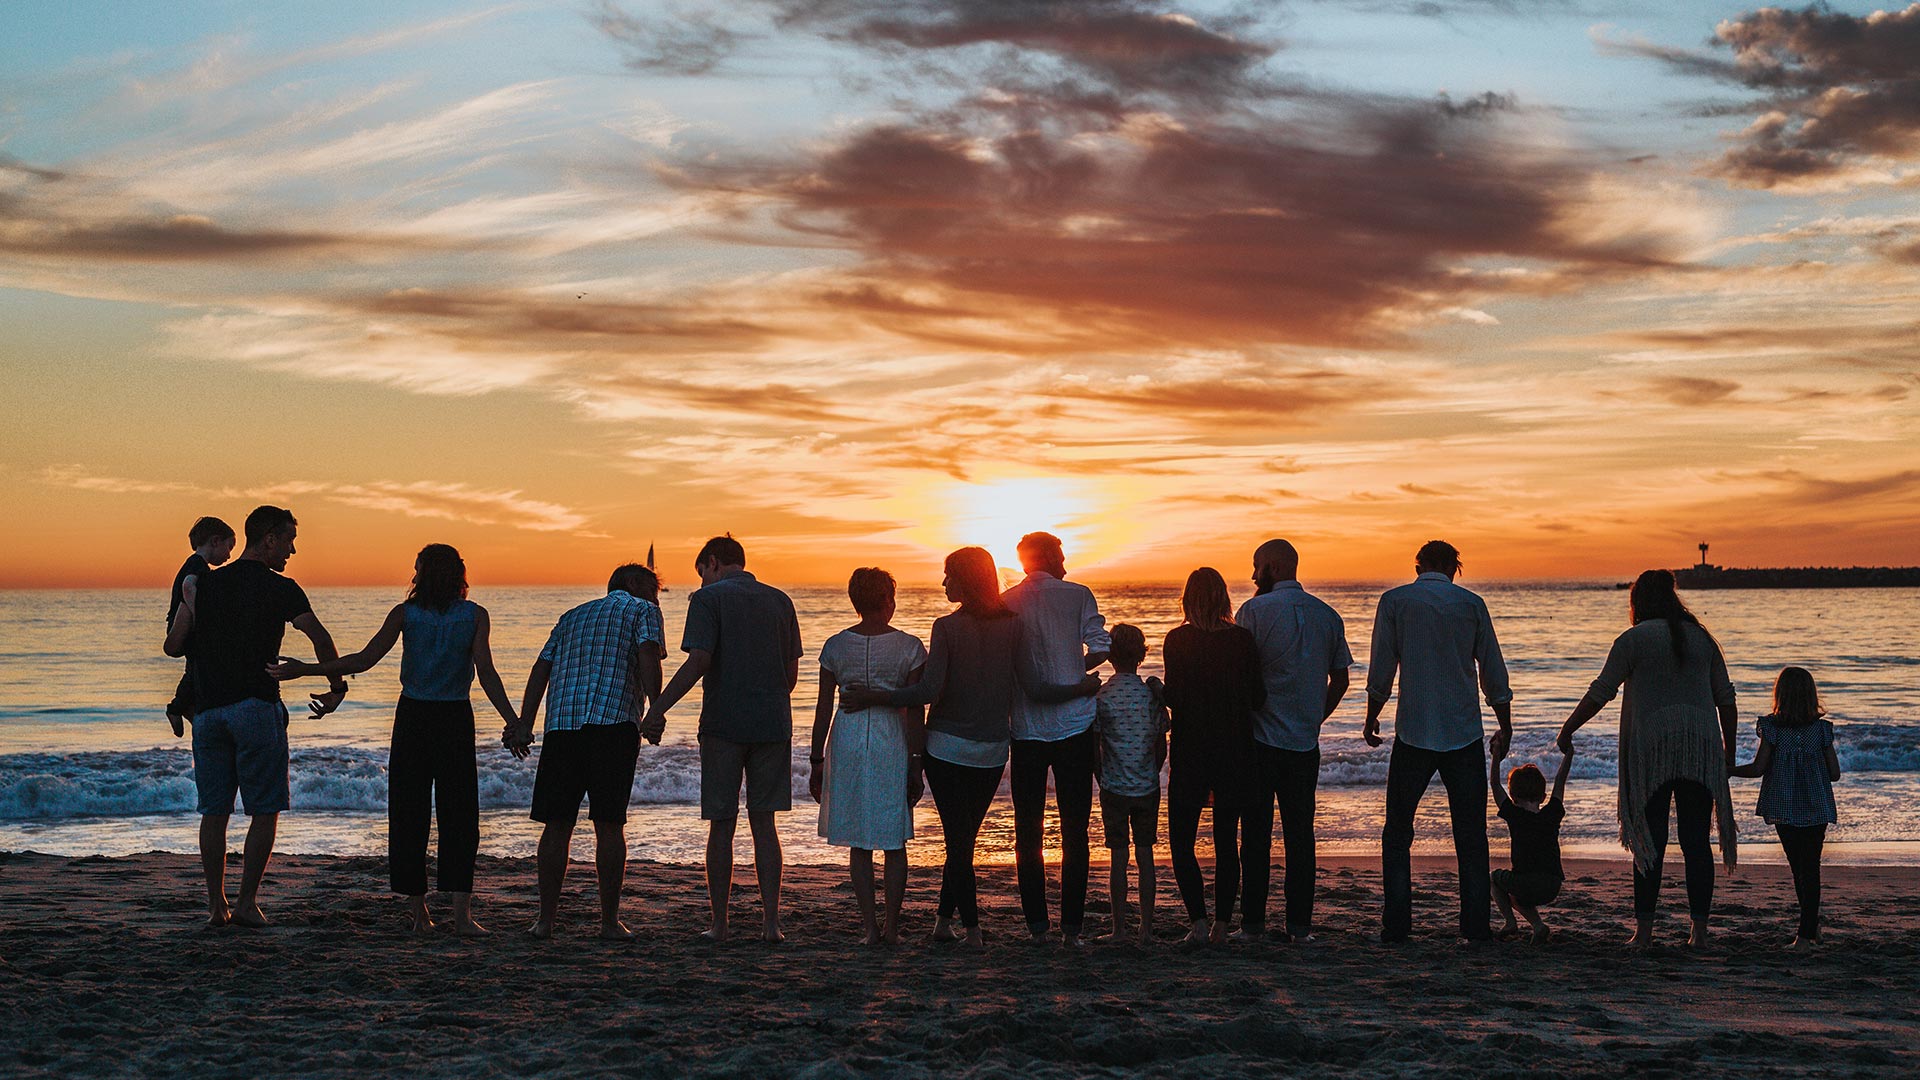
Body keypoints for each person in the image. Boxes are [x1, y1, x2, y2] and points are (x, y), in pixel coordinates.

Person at [838, 546, 1095, 948]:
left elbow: (926, 690)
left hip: (946, 749)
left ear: (966, 580)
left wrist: (873, 696)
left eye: (949, 575)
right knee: (963, 840)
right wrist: (1081, 686)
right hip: (992, 751)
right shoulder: (1013, 625)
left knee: (959, 844)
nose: (943, 583)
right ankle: (943, 922)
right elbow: (1035, 688)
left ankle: (973, 932)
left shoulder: (945, 627)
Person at [268, 544, 520, 936]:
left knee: (410, 815)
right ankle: (459, 917)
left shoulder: (410, 613)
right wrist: (513, 720)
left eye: (417, 567)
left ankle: (423, 915)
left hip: (418, 718)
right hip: (451, 718)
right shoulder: (471, 615)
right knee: (459, 817)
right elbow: (486, 673)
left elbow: (364, 660)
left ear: (425, 573)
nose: (413, 573)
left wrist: (309, 669)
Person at [163, 505, 347, 928]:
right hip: (255, 708)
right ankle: (246, 903)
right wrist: (337, 688)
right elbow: (319, 637)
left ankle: (216, 907)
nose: (292, 551)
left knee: (215, 812)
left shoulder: (204, 584)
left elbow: (177, 645)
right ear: (269, 540)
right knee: (264, 810)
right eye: (288, 541)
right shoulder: (281, 588)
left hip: (208, 712)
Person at [1557, 569, 1737, 949]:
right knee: (1695, 842)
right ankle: (1699, 932)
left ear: (1638, 601)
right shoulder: (1703, 640)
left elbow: (1600, 692)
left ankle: (1644, 931)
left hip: (1651, 751)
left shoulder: (1633, 640)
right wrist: (1728, 752)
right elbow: (1726, 698)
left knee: (1649, 839)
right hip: (1700, 749)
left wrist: (1569, 727)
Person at [645, 535, 803, 944]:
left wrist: (658, 707)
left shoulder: (707, 601)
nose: (699, 585)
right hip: (772, 723)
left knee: (722, 823)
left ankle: (720, 923)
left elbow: (699, 660)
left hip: (723, 724)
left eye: (701, 575)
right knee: (764, 824)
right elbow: (791, 678)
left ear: (713, 563)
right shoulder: (780, 601)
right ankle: (771, 925)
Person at [506, 564, 665, 941]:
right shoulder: (643, 610)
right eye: (653, 588)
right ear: (632, 583)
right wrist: (656, 708)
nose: (657, 597)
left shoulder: (572, 615)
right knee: (609, 825)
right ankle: (609, 922)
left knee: (557, 824)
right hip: (613, 725)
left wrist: (525, 722)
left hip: (563, 726)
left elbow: (541, 668)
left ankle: (544, 921)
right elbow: (647, 655)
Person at [1364, 539, 1512, 943]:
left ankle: (1396, 927)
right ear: (1454, 568)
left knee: (1397, 833)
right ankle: (1475, 928)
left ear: (1418, 566)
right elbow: (1493, 670)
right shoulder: (1471, 604)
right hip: (1463, 732)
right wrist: (1505, 722)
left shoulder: (1395, 602)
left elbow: (1382, 667)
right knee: (1470, 835)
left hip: (1413, 731)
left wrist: (1371, 715)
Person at [1234, 538, 1351, 942]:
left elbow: (1240, 678)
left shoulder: (1252, 611)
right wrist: (1316, 716)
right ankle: (1299, 927)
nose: (1252, 575)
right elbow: (1342, 679)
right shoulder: (1328, 615)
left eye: (1257, 567)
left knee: (1256, 836)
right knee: (1301, 836)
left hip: (1261, 740)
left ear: (1275, 567)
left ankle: (1252, 925)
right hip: (1304, 741)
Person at [1002, 531, 1111, 946]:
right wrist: (1074, 666)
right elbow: (1101, 647)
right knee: (1075, 829)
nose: (1066, 560)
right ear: (1049, 555)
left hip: (1026, 728)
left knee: (1026, 829)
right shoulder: (1079, 594)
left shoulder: (1008, 601)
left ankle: (1036, 926)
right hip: (1074, 726)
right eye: (1062, 553)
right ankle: (1072, 929)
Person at [809, 568, 926, 946]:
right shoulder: (909, 647)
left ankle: (870, 929)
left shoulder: (835, 646)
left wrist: (816, 761)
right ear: (888, 601)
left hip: (847, 740)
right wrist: (916, 762)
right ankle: (891, 928)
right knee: (894, 840)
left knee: (860, 842)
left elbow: (823, 708)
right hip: (892, 740)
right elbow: (916, 710)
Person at [1163, 568, 1267, 945]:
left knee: (1182, 840)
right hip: (1236, 750)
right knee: (1226, 841)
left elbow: (1174, 696)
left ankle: (1198, 924)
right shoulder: (1241, 640)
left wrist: (1159, 691)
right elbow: (1258, 698)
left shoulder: (1177, 640)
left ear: (1188, 599)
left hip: (1192, 750)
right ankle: (1223, 925)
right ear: (1224, 598)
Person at [1730, 666, 1839, 948]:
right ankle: (1810, 929)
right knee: (1810, 867)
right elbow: (1835, 772)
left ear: (1780, 695)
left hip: (1783, 804)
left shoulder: (1772, 728)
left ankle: (1805, 935)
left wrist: (1729, 770)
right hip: (1815, 805)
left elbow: (1758, 768)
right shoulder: (1822, 730)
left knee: (1798, 867)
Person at [1091, 624, 1167, 948]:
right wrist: (1152, 770)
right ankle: (1146, 930)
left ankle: (1119, 929)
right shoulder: (1151, 694)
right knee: (1146, 855)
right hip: (1146, 785)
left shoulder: (1102, 696)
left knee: (1118, 858)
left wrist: (1101, 777)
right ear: (1141, 654)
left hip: (1115, 787)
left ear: (1110, 656)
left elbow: (1095, 746)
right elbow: (1161, 743)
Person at [1489, 748, 1572, 944]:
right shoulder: (1552, 813)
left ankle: (1510, 922)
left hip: (1526, 883)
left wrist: (1495, 755)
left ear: (1514, 798)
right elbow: (1560, 780)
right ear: (1543, 797)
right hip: (1552, 886)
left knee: (1494, 879)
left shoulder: (1514, 815)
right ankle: (1538, 926)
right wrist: (1569, 753)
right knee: (1516, 893)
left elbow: (1494, 784)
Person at [165, 516, 236, 737]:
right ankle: (177, 707)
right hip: (185, 626)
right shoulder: (197, 564)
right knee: (196, 667)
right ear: (215, 541)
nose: (229, 555)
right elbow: (188, 587)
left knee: (195, 667)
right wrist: (202, 616)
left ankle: (184, 706)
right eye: (229, 547)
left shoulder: (197, 564)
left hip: (188, 625)